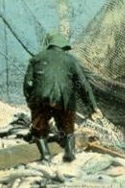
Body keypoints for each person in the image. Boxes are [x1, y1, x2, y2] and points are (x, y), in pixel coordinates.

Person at [23, 32, 102, 162]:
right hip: (64, 100)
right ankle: (70, 154)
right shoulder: (71, 60)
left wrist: (30, 101)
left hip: (40, 99)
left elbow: (27, 84)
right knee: (67, 128)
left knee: (39, 128)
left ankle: (45, 156)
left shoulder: (36, 58)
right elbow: (83, 84)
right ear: (62, 46)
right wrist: (93, 106)